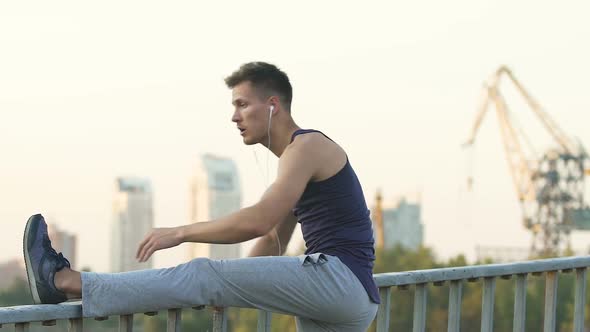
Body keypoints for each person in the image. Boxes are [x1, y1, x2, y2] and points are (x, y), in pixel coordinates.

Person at [23, 62, 380, 331]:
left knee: (203, 274)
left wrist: (181, 233)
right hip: (349, 298)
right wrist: (233, 288)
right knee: (211, 281)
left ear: (273, 105)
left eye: (242, 104)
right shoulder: (296, 160)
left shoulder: (307, 146)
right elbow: (272, 241)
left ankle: (66, 282)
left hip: (339, 280)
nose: (234, 116)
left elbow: (259, 221)